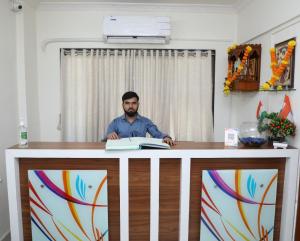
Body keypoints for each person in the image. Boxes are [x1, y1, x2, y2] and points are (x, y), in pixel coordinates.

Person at [106, 91, 174, 146]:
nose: (130, 106)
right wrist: (109, 136)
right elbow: (108, 136)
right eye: (127, 103)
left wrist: (166, 137)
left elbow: (157, 134)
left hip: (141, 157)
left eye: (134, 103)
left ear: (138, 104)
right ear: (123, 105)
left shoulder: (145, 122)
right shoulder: (116, 122)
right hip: (121, 157)